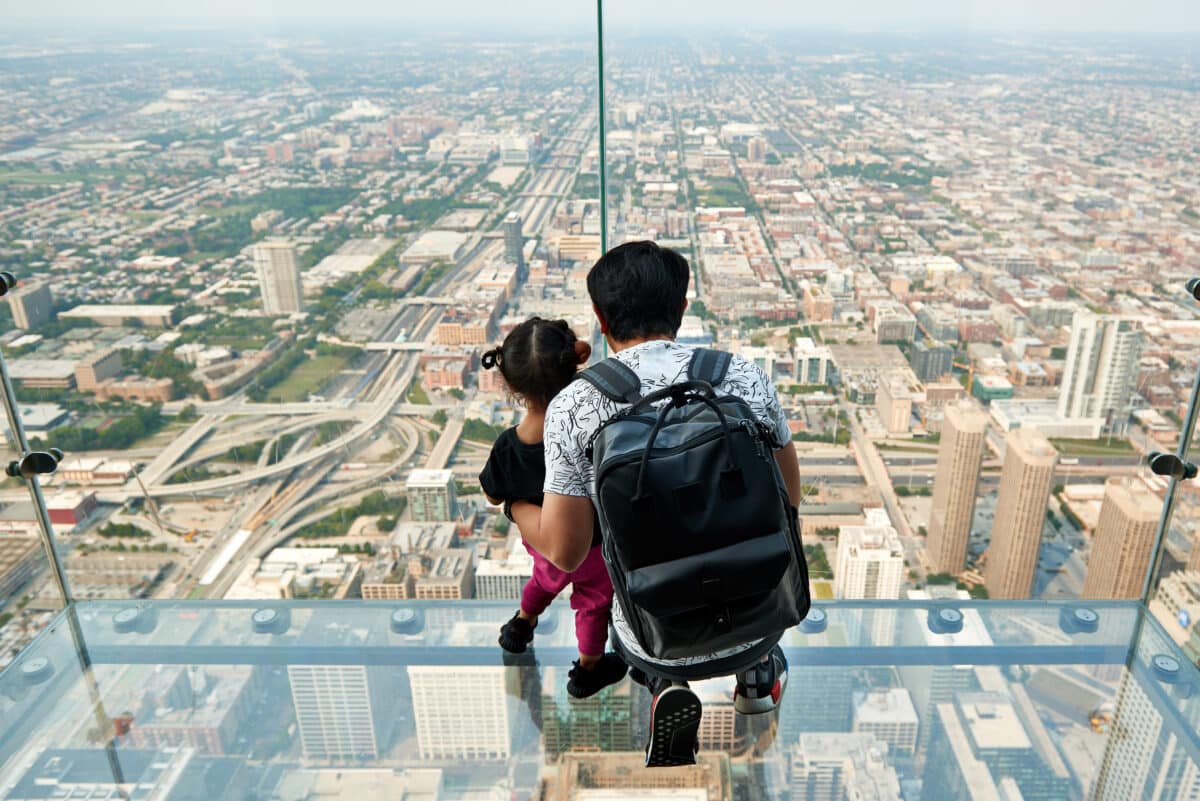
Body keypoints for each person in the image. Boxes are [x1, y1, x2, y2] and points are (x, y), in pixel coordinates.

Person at [510, 241, 804, 766]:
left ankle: (662, 682)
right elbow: (790, 500)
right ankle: (757, 670)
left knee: (636, 612)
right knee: (750, 584)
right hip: (760, 610)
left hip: (654, 632)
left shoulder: (576, 405)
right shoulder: (743, 376)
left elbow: (567, 552)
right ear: (683, 307)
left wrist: (514, 508)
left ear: (600, 320)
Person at [478, 316, 628, 699]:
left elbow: (494, 496)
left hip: (542, 540)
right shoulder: (596, 429)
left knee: (544, 580)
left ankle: (522, 624)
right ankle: (589, 669)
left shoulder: (508, 447)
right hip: (594, 545)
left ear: (511, 384)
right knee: (593, 604)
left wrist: (518, 504)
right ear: (577, 360)